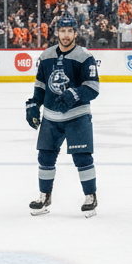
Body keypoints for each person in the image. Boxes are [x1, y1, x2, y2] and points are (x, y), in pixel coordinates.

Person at [25, 13, 100, 217]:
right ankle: (44, 196)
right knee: (45, 157)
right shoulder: (46, 56)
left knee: (82, 157)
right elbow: (40, 85)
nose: (66, 35)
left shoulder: (84, 57)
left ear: (75, 33)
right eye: (62, 31)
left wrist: (74, 94)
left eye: (69, 31)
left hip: (77, 116)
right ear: (57, 32)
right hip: (51, 117)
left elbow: (93, 87)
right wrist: (34, 104)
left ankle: (90, 196)